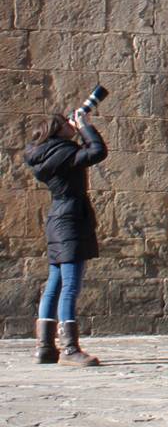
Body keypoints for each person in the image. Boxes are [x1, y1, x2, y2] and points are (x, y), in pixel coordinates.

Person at [24, 109, 108, 366]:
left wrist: (79, 130)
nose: (70, 125)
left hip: (58, 220)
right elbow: (97, 151)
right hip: (70, 222)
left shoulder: (51, 154)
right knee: (70, 285)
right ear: (57, 129)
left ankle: (45, 348)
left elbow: (85, 153)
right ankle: (70, 348)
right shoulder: (64, 153)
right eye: (66, 124)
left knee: (55, 283)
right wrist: (84, 125)